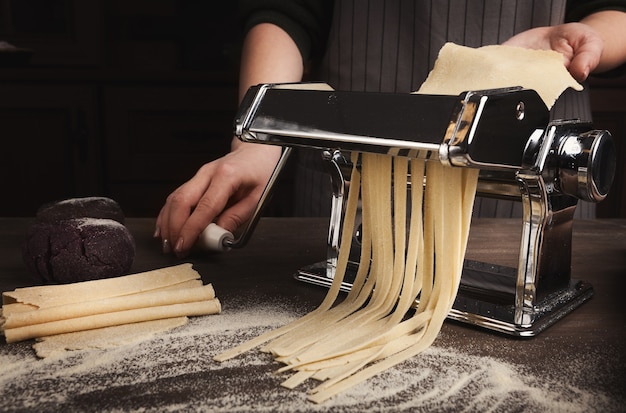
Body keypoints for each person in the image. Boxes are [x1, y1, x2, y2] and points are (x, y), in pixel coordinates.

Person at [156, 0, 626, 257]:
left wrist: (591, 38)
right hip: (352, 164)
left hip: (529, 170)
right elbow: (287, 11)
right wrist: (260, 138)